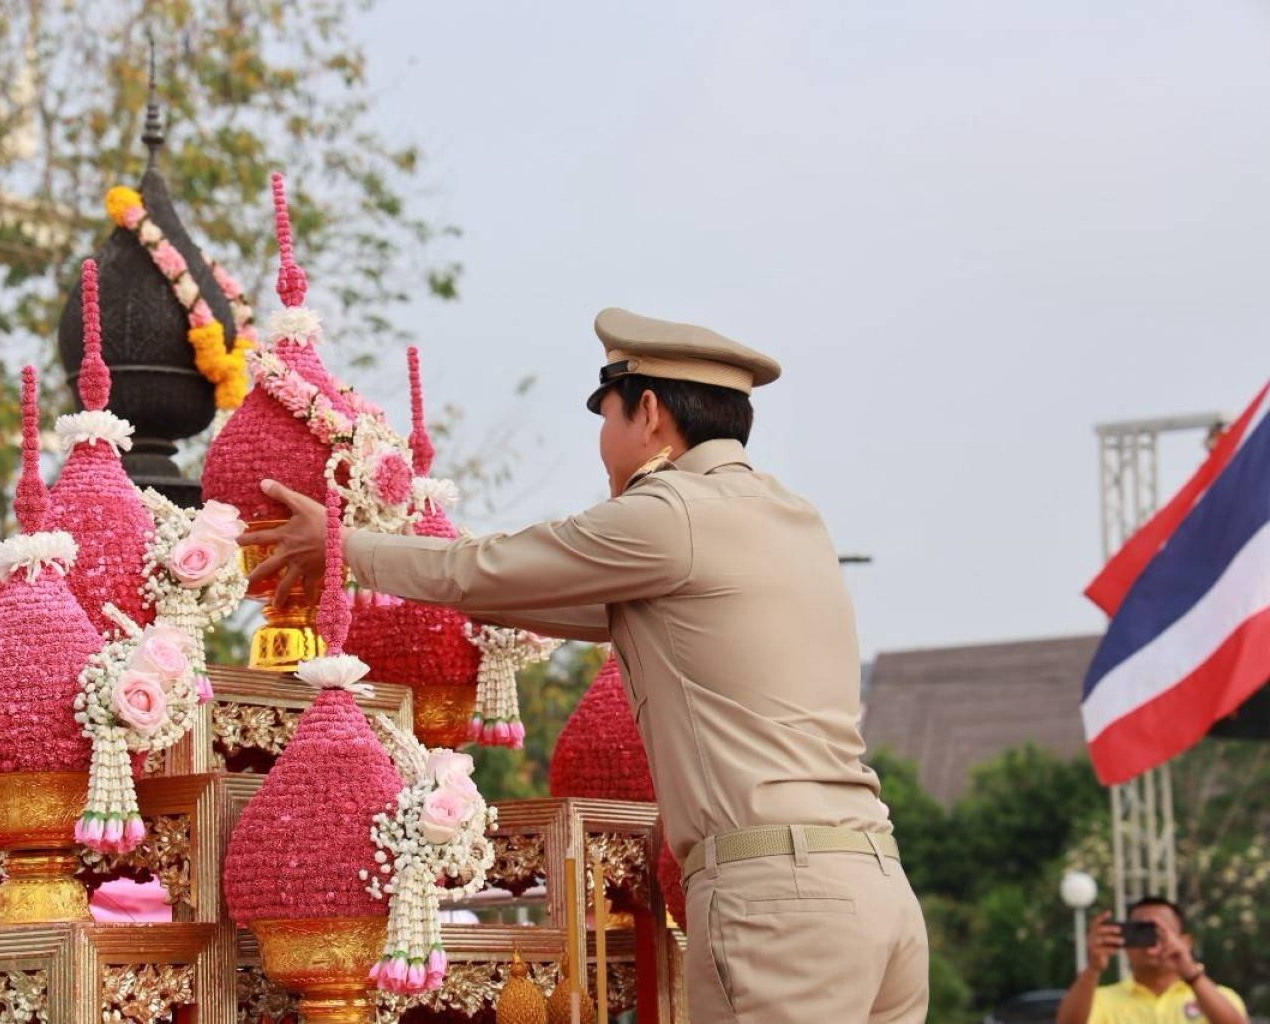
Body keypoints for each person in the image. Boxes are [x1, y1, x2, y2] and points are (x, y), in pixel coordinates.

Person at [248, 307, 929, 1022]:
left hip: (780, 903)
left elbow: (487, 571)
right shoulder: (793, 519)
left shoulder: (670, 513)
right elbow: (533, 596)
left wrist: (344, 545)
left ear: (650, 412)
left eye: (606, 418)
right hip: (876, 888)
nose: (603, 446)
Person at [1057, 897, 1248, 1024]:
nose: (1150, 947)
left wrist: (1190, 971)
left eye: (1160, 934)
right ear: (1126, 941)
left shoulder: (1218, 998)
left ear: (1185, 942)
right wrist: (1093, 969)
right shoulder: (1099, 1000)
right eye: (1141, 934)